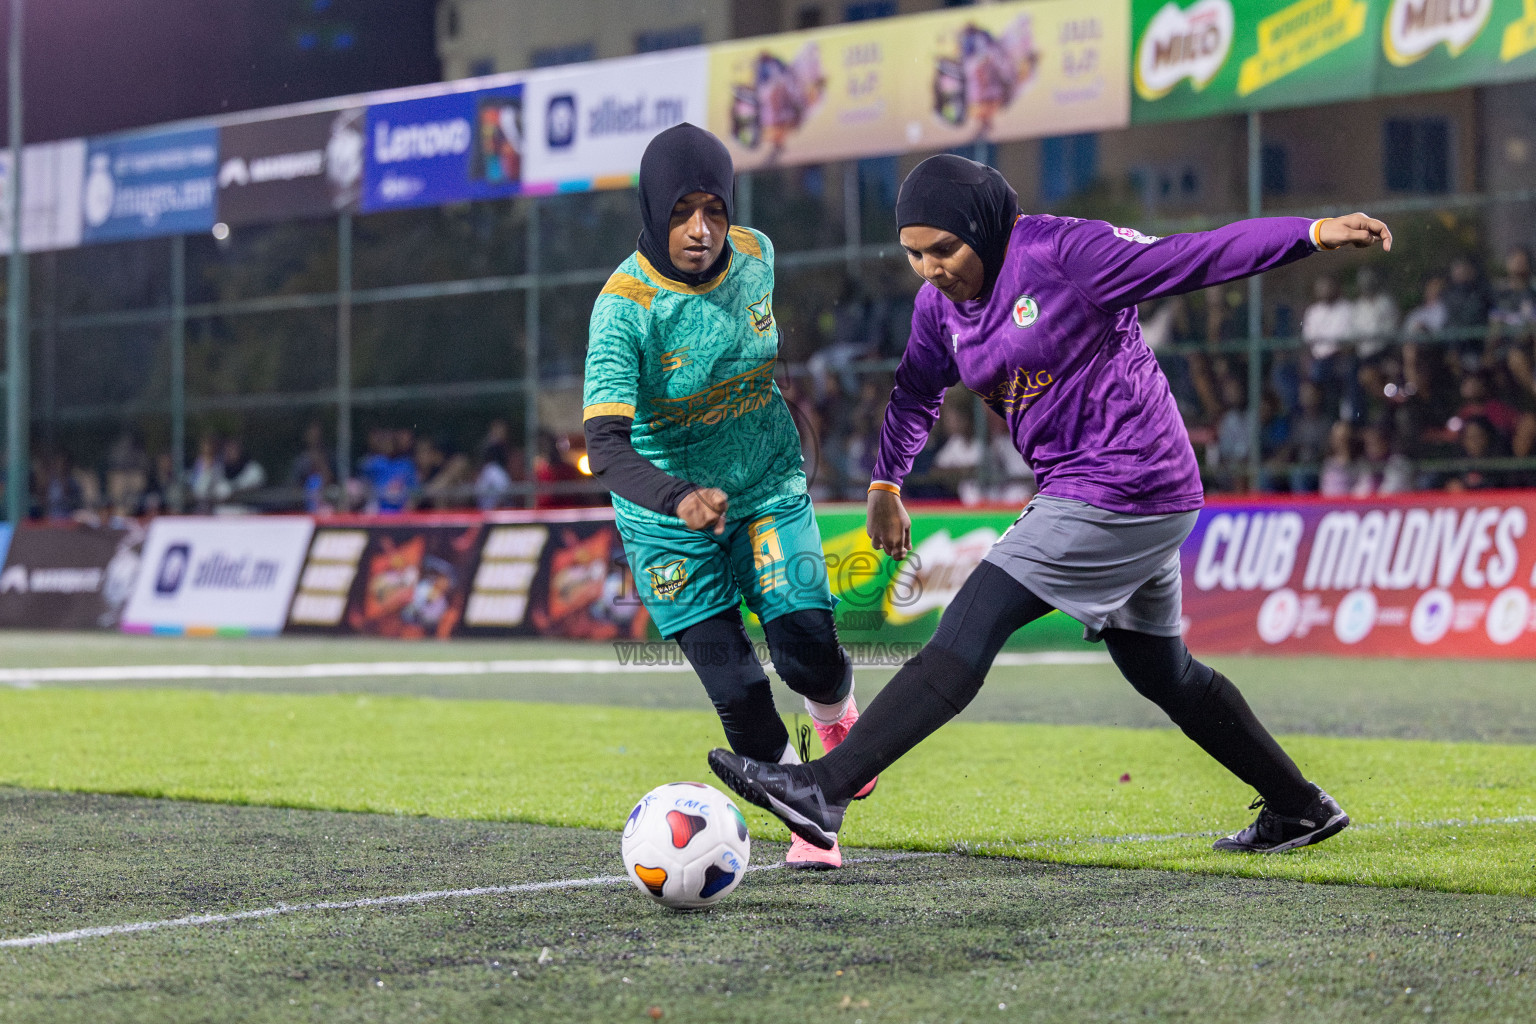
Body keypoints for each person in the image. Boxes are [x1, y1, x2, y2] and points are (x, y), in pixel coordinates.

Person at [708, 154, 1392, 856]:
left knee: (977, 614)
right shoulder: (937, 307)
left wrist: (1311, 232)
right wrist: (886, 485)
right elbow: (916, 390)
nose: (931, 268)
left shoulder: (1065, 253)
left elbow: (1194, 257)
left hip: (1129, 480)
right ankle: (1299, 807)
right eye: (914, 254)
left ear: (985, 226)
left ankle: (826, 788)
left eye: (945, 248)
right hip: (1108, 489)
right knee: (1164, 672)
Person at [582, 123, 866, 869]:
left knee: (805, 646)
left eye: (714, 209)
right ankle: (812, 823)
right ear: (651, 211)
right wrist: (677, 498)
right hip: (668, 520)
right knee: (738, 688)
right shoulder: (623, 309)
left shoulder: (759, 254)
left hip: (766, 485)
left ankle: (834, 712)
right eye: (681, 212)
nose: (701, 230)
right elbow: (604, 446)